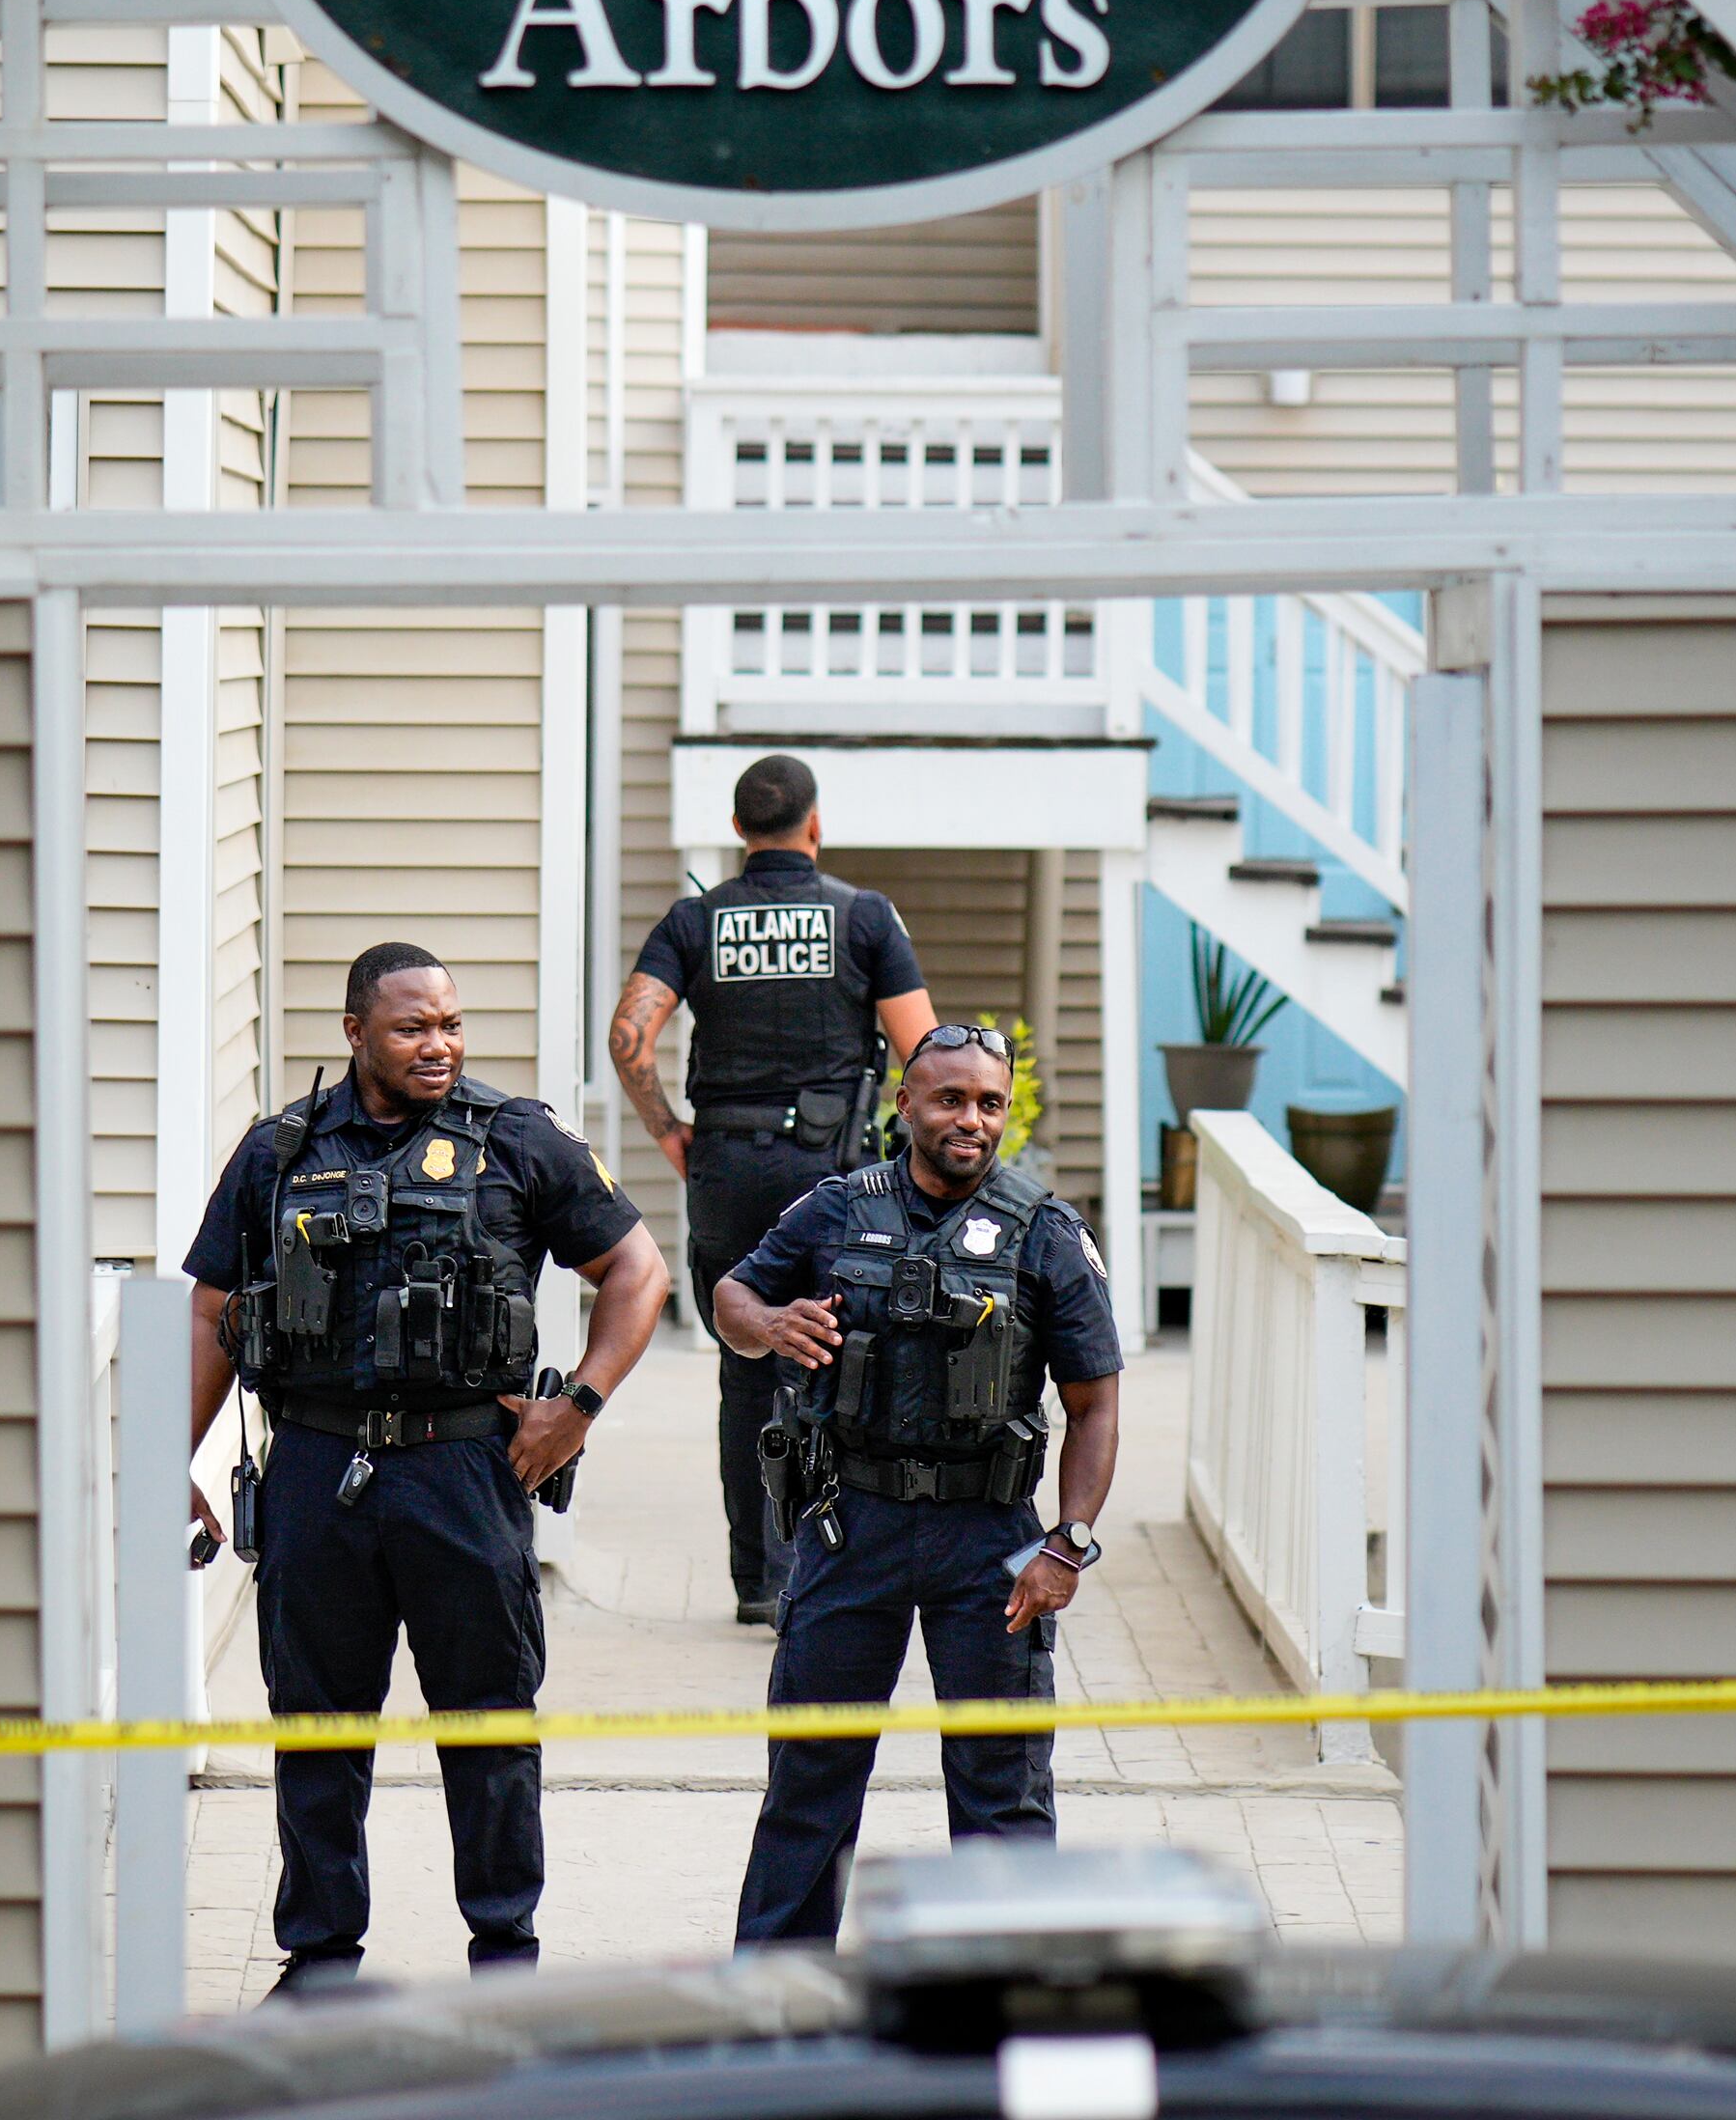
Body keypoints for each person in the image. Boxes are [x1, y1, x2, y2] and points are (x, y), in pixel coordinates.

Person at [182, 942, 668, 1987]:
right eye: (413, 1028)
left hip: (463, 1471)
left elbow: (637, 1267)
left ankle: (505, 1956)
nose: (439, 1045)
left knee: (490, 1723)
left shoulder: (517, 1140)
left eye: (450, 1024)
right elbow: (215, 1307)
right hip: (316, 1465)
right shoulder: (278, 1152)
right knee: (315, 1726)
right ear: (355, 1034)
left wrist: (576, 1407)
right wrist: (169, 1457)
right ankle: (319, 1961)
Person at [713, 1022, 1123, 1945]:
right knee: (810, 1779)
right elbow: (730, 1299)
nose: (969, 1120)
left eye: (987, 1103)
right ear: (906, 1105)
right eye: (948, 1100)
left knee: (1003, 1787)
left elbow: (1095, 1403)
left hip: (990, 1541)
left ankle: (1007, 1999)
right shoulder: (834, 1209)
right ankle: (781, 1998)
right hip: (848, 1524)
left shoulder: (1046, 1234)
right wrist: (772, 1324)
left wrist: (1069, 1542)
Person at [609, 753, 936, 1625]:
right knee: (839, 1357)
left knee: (746, 1360)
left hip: (726, 1166)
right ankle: (820, 1571)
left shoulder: (696, 920)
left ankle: (755, 1579)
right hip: (833, 1174)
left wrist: (669, 1132)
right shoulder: (865, 918)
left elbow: (629, 1038)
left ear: (738, 830)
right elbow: (927, 1054)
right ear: (815, 825)